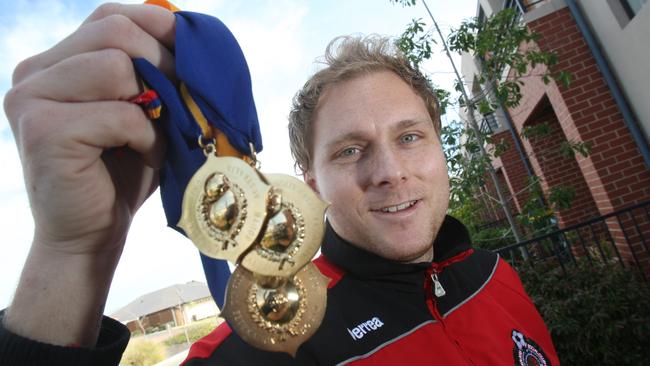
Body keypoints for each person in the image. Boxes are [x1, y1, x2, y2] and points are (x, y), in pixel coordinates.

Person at [0, 3, 559, 365]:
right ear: (311, 182)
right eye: (350, 150)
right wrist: (73, 251)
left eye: (410, 137)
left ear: (439, 147)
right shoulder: (268, 344)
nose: (389, 171)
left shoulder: (493, 274)